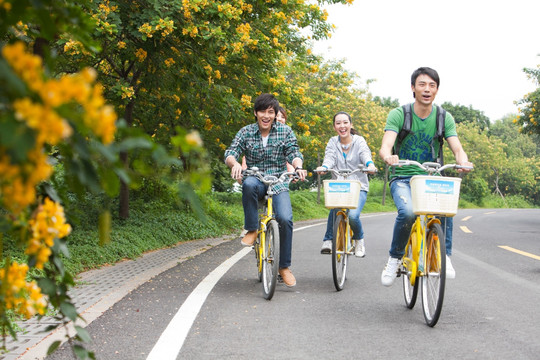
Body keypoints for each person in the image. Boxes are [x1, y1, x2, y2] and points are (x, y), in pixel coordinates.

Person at [379, 67, 473, 287]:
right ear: (413, 88)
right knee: (408, 212)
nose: (427, 89)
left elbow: (457, 148)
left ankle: (445, 256)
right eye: (422, 84)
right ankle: (394, 258)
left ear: (437, 90)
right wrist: (388, 156)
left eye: (432, 85)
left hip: (431, 177)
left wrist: (463, 161)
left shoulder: (443, 117)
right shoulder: (399, 114)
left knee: (445, 209)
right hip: (402, 177)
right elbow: (386, 145)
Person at [224, 93, 307, 287]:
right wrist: (234, 163)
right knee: (249, 184)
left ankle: (284, 267)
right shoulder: (246, 132)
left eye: (271, 112)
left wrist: (298, 166)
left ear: (276, 114)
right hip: (256, 177)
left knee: (285, 219)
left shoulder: (285, 132)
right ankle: (252, 229)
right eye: (262, 111)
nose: (266, 115)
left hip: (278, 181)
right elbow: (231, 152)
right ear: (256, 112)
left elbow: (294, 152)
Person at [315, 112, 377, 257]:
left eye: (345, 122)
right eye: (338, 123)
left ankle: (359, 239)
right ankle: (328, 240)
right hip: (339, 187)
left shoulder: (359, 141)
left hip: (358, 186)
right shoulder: (332, 142)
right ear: (334, 126)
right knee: (334, 208)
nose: (342, 126)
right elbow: (329, 158)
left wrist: (370, 165)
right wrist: (324, 167)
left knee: (354, 216)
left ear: (350, 124)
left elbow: (365, 154)